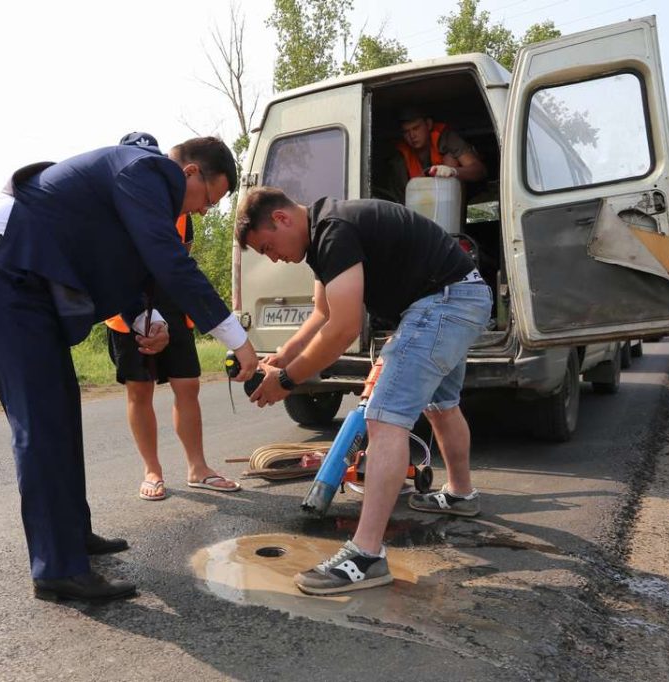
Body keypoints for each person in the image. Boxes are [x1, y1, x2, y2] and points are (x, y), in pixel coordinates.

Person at [0, 135, 258, 604]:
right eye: (207, 200)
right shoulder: (147, 170)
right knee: (40, 418)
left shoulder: (138, 187)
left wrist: (147, 321)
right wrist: (238, 340)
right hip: (2, 267)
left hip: (23, 274)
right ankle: (57, 568)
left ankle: (72, 535)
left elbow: (118, 268)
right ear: (190, 172)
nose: (200, 212)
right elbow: (170, 263)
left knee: (60, 408)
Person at [235, 188, 492, 596]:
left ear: (282, 219)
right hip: (460, 296)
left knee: (383, 419)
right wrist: (282, 358)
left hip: (443, 302)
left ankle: (366, 555)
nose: (273, 258)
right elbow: (323, 313)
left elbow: (344, 328)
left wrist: (286, 382)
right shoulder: (324, 234)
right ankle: (461, 494)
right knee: (441, 405)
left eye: (268, 247)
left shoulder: (333, 231)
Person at [105, 134, 241, 502]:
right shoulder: (126, 193)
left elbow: (181, 260)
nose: (204, 209)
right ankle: (152, 470)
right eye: (208, 201)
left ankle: (198, 468)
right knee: (140, 389)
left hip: (172, 301)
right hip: (127, 303)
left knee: (188, 384)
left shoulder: (181, 202)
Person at [377, 107, 487, 205]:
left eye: (416, 128)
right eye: (406, 132)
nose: (412, 136)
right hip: (420, 205)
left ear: (428, 125)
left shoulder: (446, 138)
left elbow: (479, 170)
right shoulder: (399, 158)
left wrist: (453, 171)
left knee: (450, 157)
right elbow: (399, 201)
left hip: (450, 201)